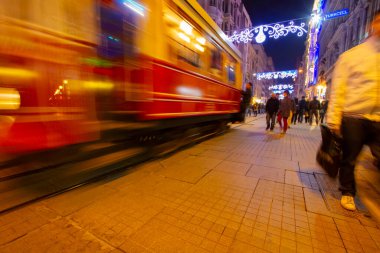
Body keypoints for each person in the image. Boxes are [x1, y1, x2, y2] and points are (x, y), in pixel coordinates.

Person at [327, 11, 380, 211]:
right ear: (371, 25)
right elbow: (338, 88)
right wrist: (333, 120)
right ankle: (348, 192)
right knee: (349, 157)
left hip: (377, 117)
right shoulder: (352, 56)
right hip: (353, 116)